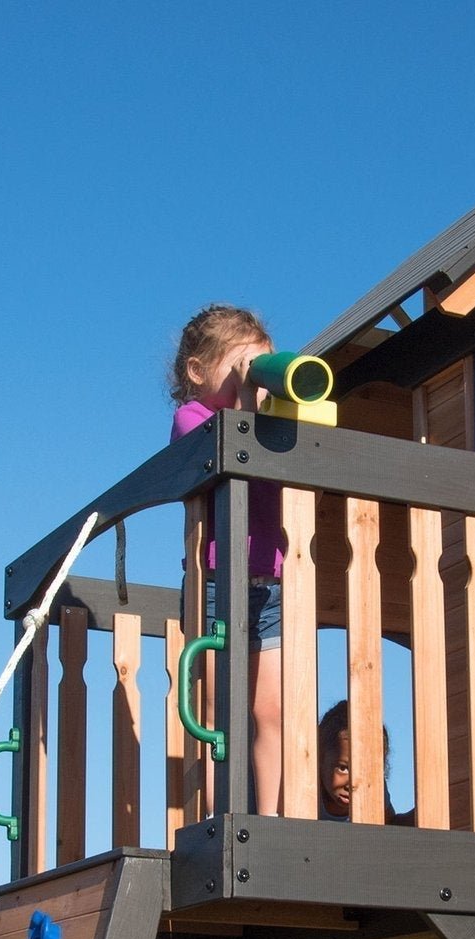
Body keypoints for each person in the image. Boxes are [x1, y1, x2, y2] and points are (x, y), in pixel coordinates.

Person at [170, 304, 285, 814]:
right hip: (217, 582)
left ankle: (272, 815)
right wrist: (243, 401)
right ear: (198, 371)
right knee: (221, 709)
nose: (249, 377)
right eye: (240, 365)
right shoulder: (192, 418)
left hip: (269, 585)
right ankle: (221, 813)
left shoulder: (268, 422)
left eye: (257, 366)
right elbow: (217, 450)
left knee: (271, 711)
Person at [317, 699, 412, 825]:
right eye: (343, 768)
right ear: (321, 760)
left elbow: (390, 823)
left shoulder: (374, 788)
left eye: (366, 772)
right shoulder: (307, 790)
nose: (352, 784)